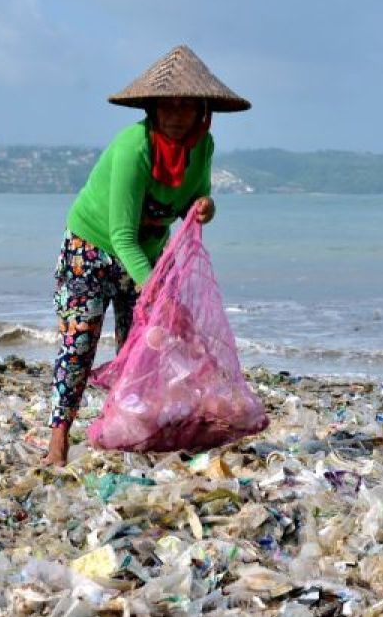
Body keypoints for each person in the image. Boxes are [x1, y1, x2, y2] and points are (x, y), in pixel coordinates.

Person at [43, 45, 251, 466]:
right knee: (79, 343)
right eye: (167, 106)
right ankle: (58, 439)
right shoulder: (134, 149)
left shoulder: (202, 146)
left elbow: (195, 196)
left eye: (186, 107)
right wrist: (158, 289)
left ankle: (129, 431)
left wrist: (207, 206)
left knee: (142, 347)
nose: (176, 116)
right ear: (152, 110)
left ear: (202, 112)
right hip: (91, 251)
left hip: (146, 252)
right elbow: (121, 235)